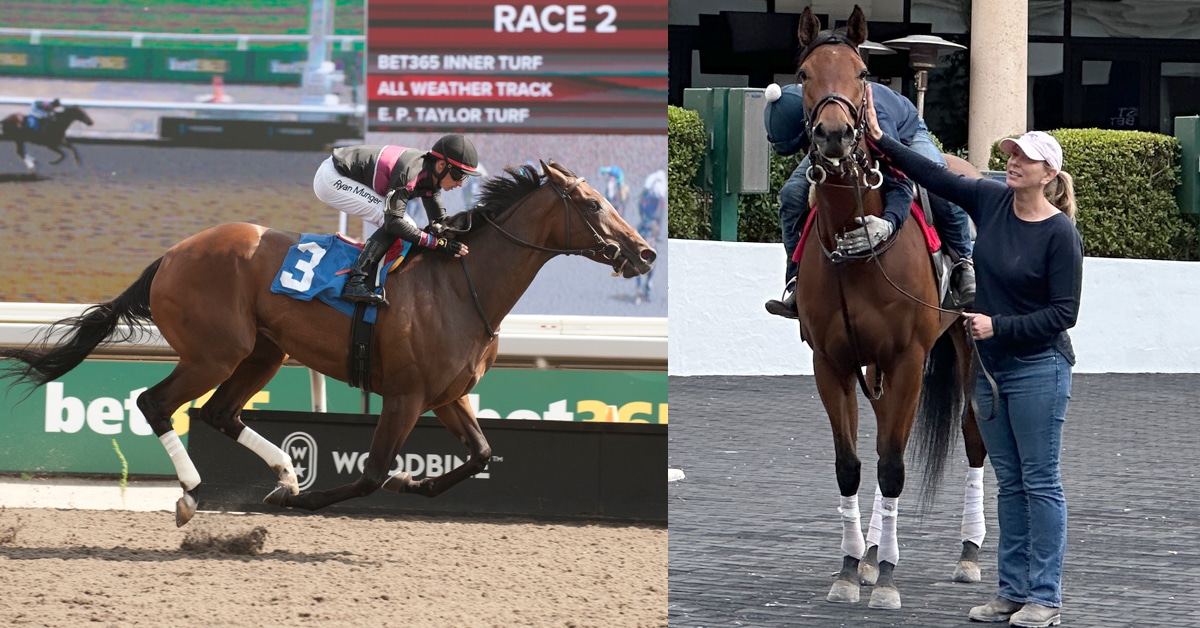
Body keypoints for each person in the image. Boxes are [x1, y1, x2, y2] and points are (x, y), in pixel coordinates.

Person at [861, 84, 1082, 628]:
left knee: (1041, 483)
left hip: (1038, 369)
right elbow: (935, 176)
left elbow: (1064, 314)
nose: (1011, 164)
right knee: (1009, 483)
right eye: (1010, 155)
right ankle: (1010, 592)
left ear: (1048, 174)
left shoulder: (1060, 234)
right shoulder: (990, 200)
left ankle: (1045, 598)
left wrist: (995, 323)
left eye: (1024, 159)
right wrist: (880, 138)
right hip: (989, 371)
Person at [763, 81, 977, 319]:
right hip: (849, 133)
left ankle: (963, 263)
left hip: (902, 132)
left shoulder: (879, 117)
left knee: (939, 183)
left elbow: (900, 181)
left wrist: (888, 223)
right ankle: (796, 279)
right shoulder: (824, 114)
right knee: (791, 193)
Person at [311, 134, 482, 306]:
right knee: (401, 223)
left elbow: (440, 223)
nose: (460, 183)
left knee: (407, 225)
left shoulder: (431, 177)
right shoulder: (410, 173)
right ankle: (356, 281)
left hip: (341, 173)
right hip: (332, 178)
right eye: (459, 175)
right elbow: (394, 223)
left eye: (464, 177)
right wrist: (437, 243)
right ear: (441, 165)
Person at [635, 169, 667, 302]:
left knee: (653, 258)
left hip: (652, 231)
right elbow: (642, 212)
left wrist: (655, 229)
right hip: (645, 228)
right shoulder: (646, 198)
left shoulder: (659, 201)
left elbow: (659, 217)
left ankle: (647, 284)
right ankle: (639, 287)